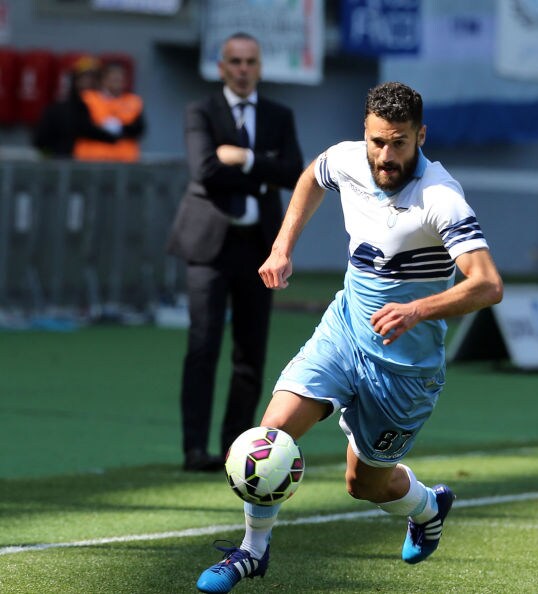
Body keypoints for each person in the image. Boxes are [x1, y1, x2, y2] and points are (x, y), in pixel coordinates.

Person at [194, 81, 503, 593]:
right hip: (343, 332)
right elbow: (312, 177)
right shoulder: (346, 158)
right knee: (270, 435)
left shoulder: (440, 198)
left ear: (421, 136)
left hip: (404, 370)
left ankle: (428, 507)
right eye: (377, 141)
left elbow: (488, 284)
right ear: (365, 132)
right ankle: (252, 551)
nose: (385, 156)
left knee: (365, 485)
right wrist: (282, 247)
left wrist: (417, 309)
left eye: (399, 142)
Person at [166, 32, 304, 472]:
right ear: (221, 67)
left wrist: (243, 160)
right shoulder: (201, 111)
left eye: (250, 62)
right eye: (235, 61)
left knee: (251, 353)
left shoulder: (279, 115)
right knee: (202, 347)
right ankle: (194, 449)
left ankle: (235, 449)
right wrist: (263, 171)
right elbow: (205, 170)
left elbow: (293, 173)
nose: (243, 69)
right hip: (208, 247)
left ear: (260, 67)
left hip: (259, 250)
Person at [31, 55, 105, 158]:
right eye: (85, 78)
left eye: (95, 78)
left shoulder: (112, 109)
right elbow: (40, 141)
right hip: (66, 163)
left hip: (104, 163)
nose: (90, 82)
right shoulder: (57, 110)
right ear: (75, 80)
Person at [73, 60, 146, 162]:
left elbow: (139, 128)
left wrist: (120, 128)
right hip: (92, 159)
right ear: (103, 79)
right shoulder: (88, 98)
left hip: (124, 161)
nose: (117, 80)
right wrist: (107, 133)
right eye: (113, 77)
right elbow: (82, 127)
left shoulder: (133, 101)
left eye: (120, 78)